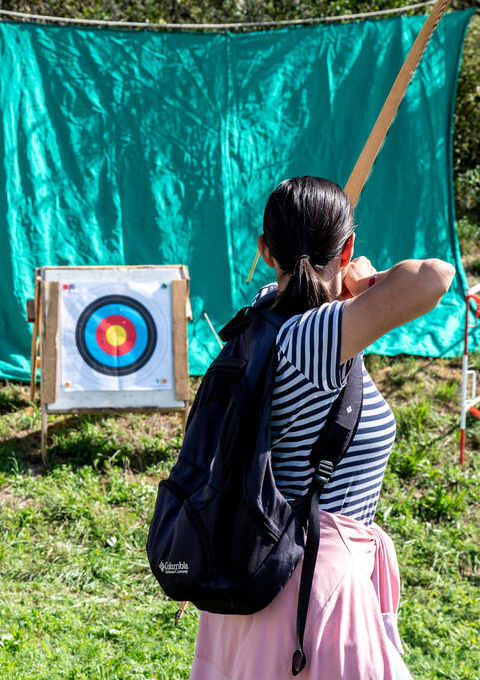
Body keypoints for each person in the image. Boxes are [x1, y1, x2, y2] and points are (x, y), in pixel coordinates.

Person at [190, 176, 455, 679]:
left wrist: (340, 294)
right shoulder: (315, 336)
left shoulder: (262, 317)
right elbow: (435, 277)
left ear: (266, 250)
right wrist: (366, 282)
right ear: (348, 246)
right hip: (312, 587)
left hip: (264, 567)